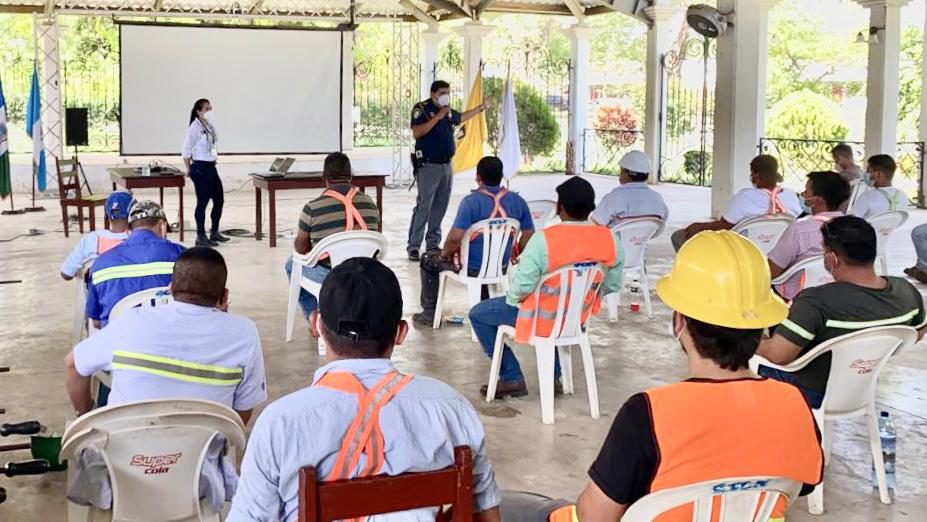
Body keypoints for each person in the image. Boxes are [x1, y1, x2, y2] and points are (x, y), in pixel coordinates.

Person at [572, 231, 823, 521]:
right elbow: (804, 485)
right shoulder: (794, 403)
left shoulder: (647, 413)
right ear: (760, 326)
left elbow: (595, 516)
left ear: (679, 322)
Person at [228, 258, 501, 522]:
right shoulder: (453, 409)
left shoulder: (279, 423)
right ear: (401, 333)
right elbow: (486, 513)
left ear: (317, 325)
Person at [65, 247, 267, 423]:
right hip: (203, 452)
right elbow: (243, 410)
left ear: (170, 289)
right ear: (224, 296)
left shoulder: (132, 321)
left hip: (123, 450)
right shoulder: (244, 332)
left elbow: (73, 364)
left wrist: (85, 415)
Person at [469, 177, 624, 398]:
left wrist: (513, 300)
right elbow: (613, 283)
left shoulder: (543, 240)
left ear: (560, 207)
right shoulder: (610, 239)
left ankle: (511, 377)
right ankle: (554, 376)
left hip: (539, 316)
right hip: (576, 316)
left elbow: (522, 287)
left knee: (478, 314)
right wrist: (582, 298)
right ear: (592, 207)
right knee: (556, 313)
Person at [757, 216, 927, 408]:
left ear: (832, 259)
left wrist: (749, 342)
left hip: (808, 393)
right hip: (862, 389)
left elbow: (778, 356)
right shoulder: (906, 291)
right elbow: (917, 334)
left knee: (742, 360)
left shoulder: (815, 301)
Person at [413, 156, 535, 327]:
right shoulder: (518, 201)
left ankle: (429, 314)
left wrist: (443, 255)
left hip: (471, 267)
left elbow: (454, 239)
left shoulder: (470, 203)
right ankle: (484, 310)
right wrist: (513, 253)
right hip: (501, 266)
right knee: (484, 259)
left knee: (427, 260)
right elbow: (529, 235)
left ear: (478, 178)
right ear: (501, 177)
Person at [284, 152, 379, 322]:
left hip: (330, 275)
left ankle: (314, 316)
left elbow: (301, 249)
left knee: (291, 264)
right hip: (364, 272)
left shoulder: (312, 208)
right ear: (351, 176)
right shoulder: (370, 204)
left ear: (324, 178)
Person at [407, 80, 487, 261]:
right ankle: (414, 246)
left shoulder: (448, 110)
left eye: (448, 93)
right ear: (433, 93)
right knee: (424, 206)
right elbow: (417, 132)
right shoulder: (422, 109)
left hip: (446, 165)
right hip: (428, 165)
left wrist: (481, 107)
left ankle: (432, 244)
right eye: (442, 93)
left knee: (440, 206)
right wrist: (437, 117)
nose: (446, 96)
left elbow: (461, 117)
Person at [671, 155, 802, 251]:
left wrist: (700, 226)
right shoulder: (790, 194)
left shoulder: (745, 196)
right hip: (779, 250)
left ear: (756, 175)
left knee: (679, 236)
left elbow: (724, 226)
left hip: (743, 249)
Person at [86, 200, 185, 328]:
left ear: (128, 230)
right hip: (171, 337)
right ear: (163, 225)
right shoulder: (184, 257)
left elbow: (96, 322)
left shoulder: (101, 263)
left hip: (118, 339)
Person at [768, 171, 849, 300]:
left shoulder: (799, 230)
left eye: (806, 191)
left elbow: (772, 271)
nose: (802, 194)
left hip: (796, 298)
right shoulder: (853, 227)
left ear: (818, 200)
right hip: (838, 294)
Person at [182, 98, 228, 247]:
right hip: (200, 168)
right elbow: (186, 151)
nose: (210, 111)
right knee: (202, 202)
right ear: (198, 111)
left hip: (211, 167)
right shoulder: (194, 128)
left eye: (210, 108)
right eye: (207, 109)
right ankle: (200, 236)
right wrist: (189, 168)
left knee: (219, 200)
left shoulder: (209, 126)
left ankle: (214, 231)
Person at [60, 191, 134, 280]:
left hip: (96, 288)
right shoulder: (140, 240)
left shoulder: (90, 239)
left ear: (106, 215)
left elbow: (66, 274)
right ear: (133, 215)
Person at [590, 150, 668, 227]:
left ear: (627, 174)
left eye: (621, 171)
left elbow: (596, 224)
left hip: (615, 235)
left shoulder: (613, 198)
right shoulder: (657, 198)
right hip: (645, 235)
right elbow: (661, 221)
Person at [849, 154, 907, 219]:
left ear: (878, 174)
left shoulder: (868, 197)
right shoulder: (903, 196)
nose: (866, 173)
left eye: (868, 171)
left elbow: (850, 220)